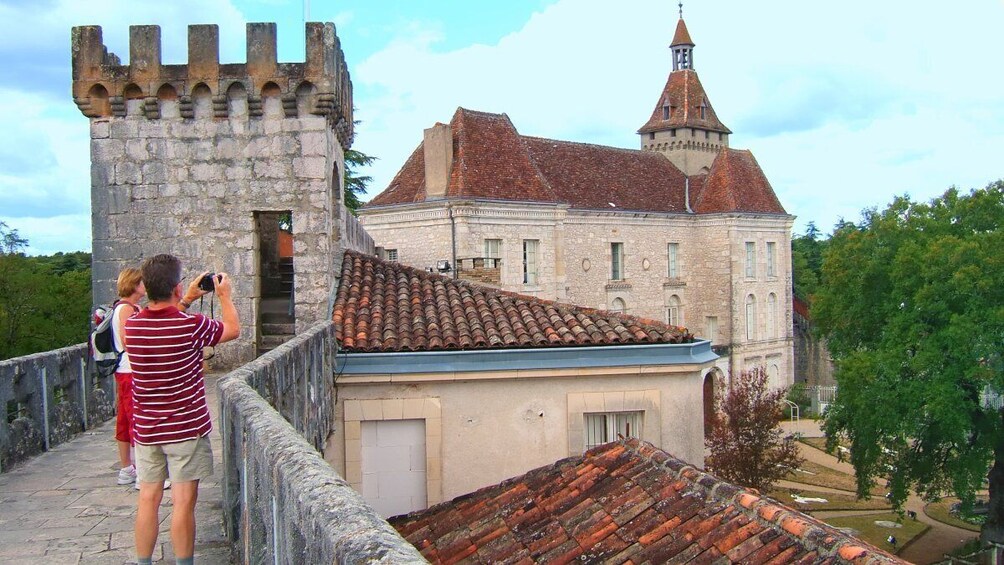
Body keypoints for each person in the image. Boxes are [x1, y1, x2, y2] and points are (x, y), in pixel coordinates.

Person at [126, 255, 239, 565]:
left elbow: (162, 321)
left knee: (148, 499)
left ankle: (143, 562)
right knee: (183, 503)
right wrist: (224, 296)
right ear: (176, 287)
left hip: (147, 429)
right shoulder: (190, 325)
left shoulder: (132, 326)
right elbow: (232, 329)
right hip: (185, 429)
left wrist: (186, 299)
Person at [112, 268, 144, 486]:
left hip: (124, 370)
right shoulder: (126, 309)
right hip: (131, 370)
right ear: (134, 285)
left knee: (124, 419)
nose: (145, 286)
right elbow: (128, 340)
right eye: (142, 282)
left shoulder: (123, 307)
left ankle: (127, 469)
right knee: (137, 420)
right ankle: (143, 474)